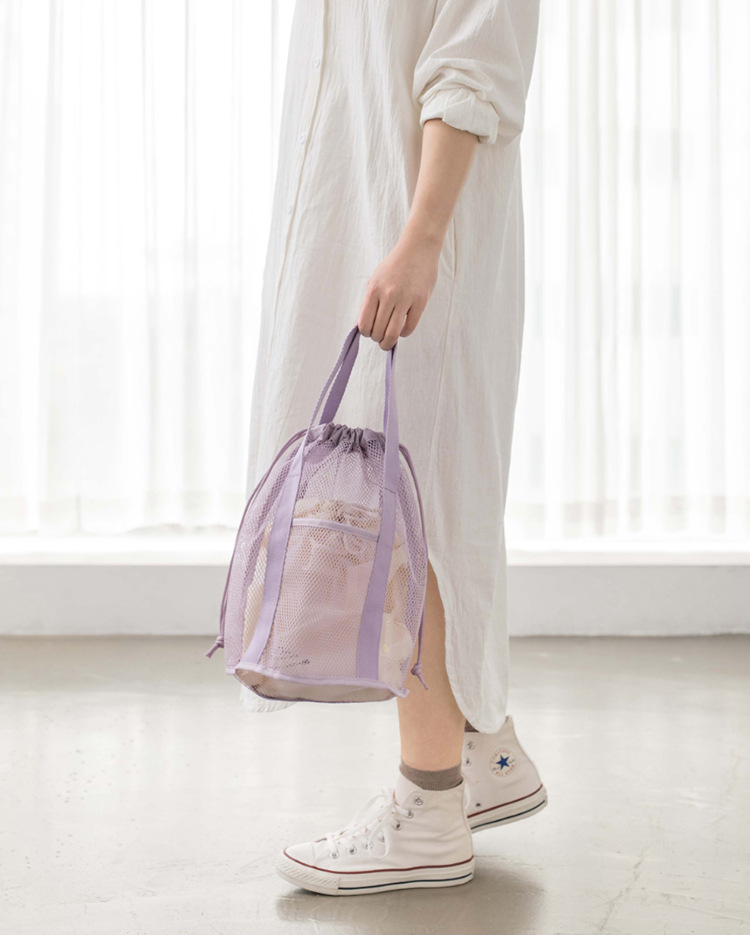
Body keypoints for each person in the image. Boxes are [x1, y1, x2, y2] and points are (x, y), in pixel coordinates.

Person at [244, 0, 544, 895]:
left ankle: (430, 806)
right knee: (407, 481)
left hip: (418, 235)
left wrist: (421, 241)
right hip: (350, 218)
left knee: (421, 500)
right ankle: (484, 750)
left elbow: (473, 68)